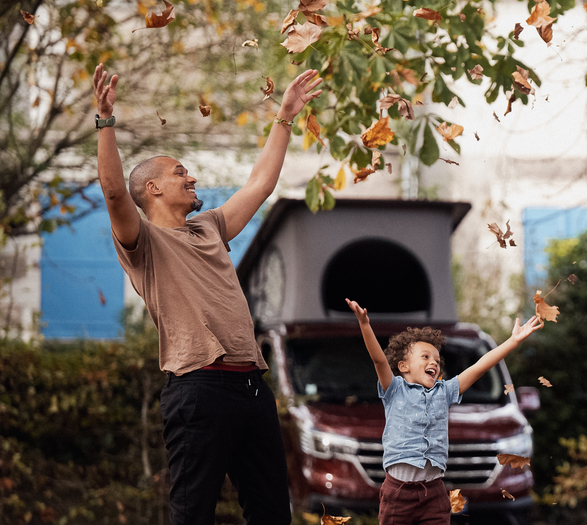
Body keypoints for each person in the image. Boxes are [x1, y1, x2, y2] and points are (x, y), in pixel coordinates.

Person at [93, 63, 324, 524]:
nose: (191, 177)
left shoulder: (210, 228)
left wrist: (285, 115)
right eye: (180, 173)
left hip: (251, 389)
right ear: (154, 188)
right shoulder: (142, 243)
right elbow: (116, 193)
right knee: (192, 515)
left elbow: (260, 184)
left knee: (273, 514)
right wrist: (105, 122)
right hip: (198, 390)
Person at [345, 299, 543, 525]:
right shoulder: (395, 389)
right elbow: (379, 359)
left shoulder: (445, 391)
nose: (434, 363)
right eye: (426, 357)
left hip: (434, 492)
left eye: (437, 360)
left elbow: (479, 367)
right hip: (398, 493)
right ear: (403, 366)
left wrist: (513, 341)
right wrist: (364, 324)